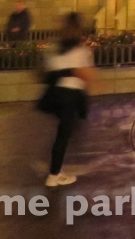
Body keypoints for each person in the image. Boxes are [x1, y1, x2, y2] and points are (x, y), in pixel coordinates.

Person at [40, 13, 96, 187]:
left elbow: (46, 71)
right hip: (70, 95)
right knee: (64, 135)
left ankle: (55, 170)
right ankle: (54, 174)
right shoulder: (81, 50)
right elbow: (86, 74)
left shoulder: (54, 48)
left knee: (62, 134)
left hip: (55, 94)